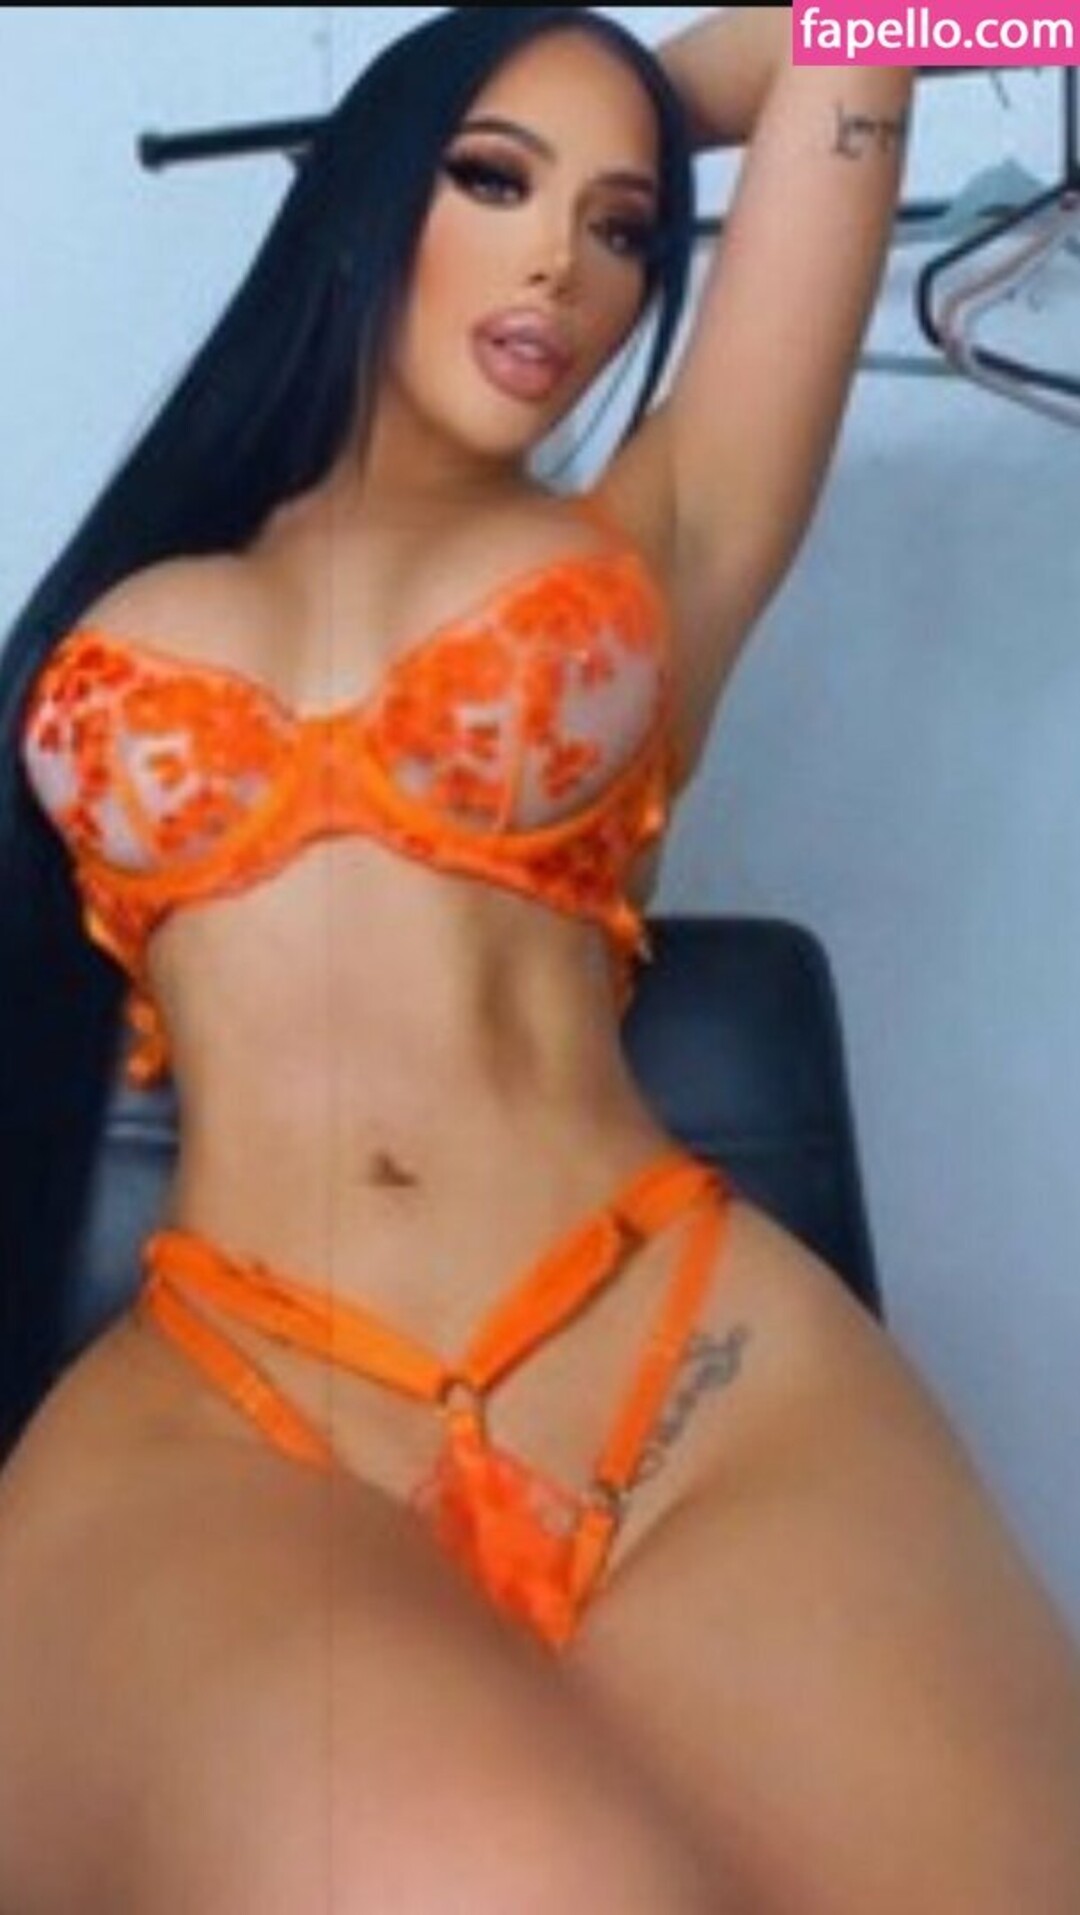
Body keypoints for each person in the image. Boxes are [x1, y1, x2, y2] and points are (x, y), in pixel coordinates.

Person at [0, 6, 1077, 1910]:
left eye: (624, 226)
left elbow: (893, 24)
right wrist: (547, 86)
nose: (563, 266)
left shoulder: (664, 531)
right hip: (241, 1405)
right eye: (492, 182)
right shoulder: (152, 587)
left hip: (684, 1366)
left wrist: (625, 94)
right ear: (366, 197)